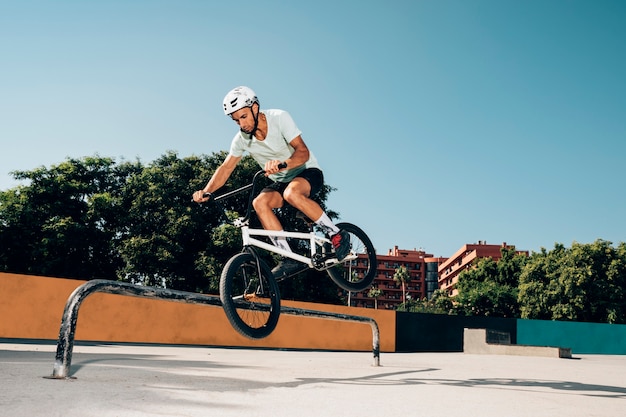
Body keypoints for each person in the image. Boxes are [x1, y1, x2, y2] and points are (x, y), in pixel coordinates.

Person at [193, 86, 349, 279]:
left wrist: (283, 164)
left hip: (307, 171)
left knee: (291, 193)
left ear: (255, 108)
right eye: (236, 120)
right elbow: (226, 168)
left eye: (243, 117)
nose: (241, 124)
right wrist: (206, 191)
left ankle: (337, 234)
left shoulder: (279, 118)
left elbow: (303, 152)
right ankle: (288, 257)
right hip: (281, 181)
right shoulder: (241, 140)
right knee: (259, 202)